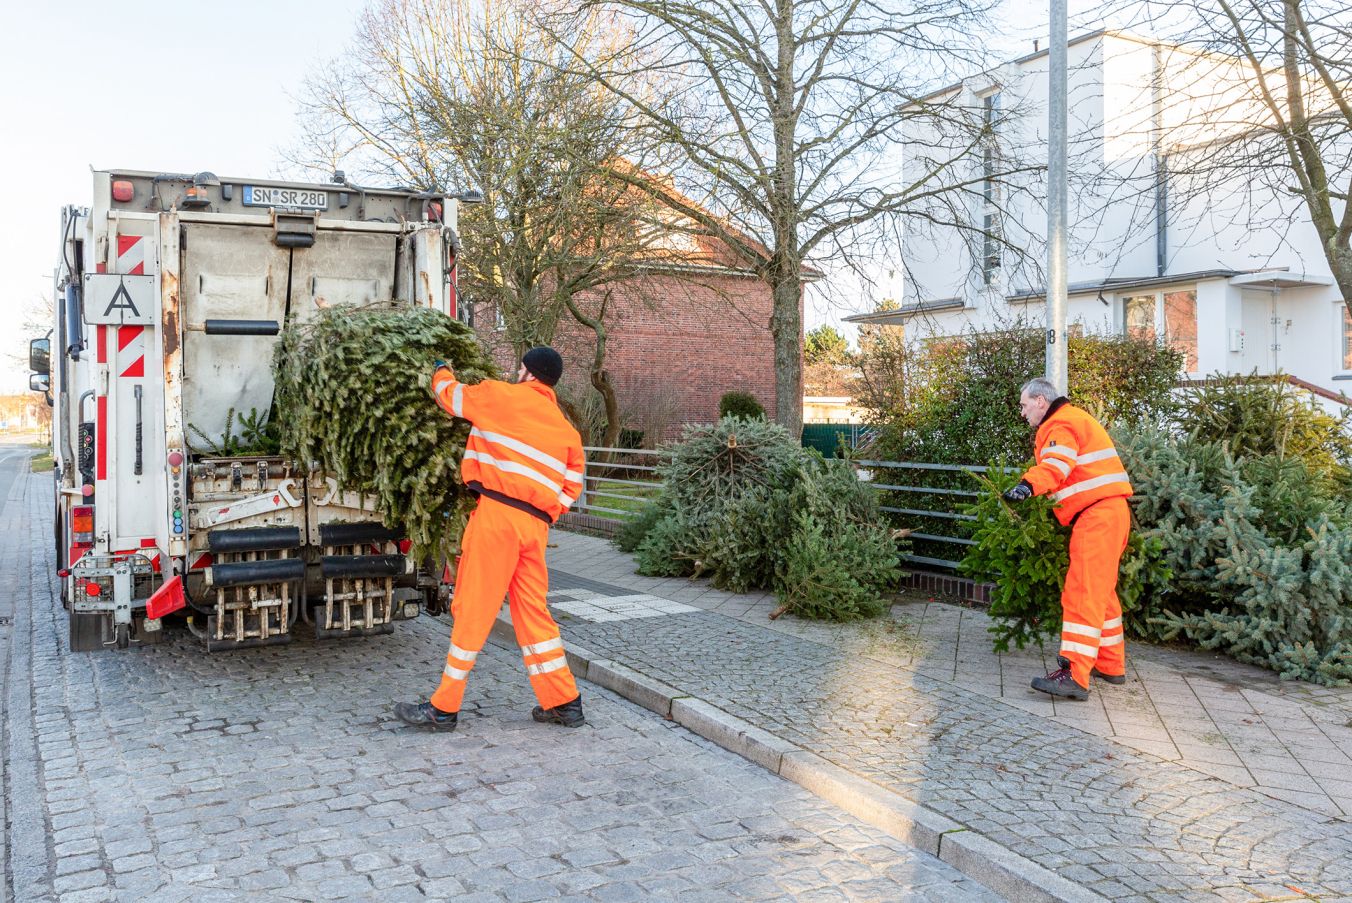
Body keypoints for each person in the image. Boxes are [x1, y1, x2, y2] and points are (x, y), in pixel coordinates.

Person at [395, 346, 587, 731]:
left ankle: (443, 707)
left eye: (520, 368)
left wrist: (439, 369)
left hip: (497, 517)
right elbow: (572, 488)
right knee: (533, 613)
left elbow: (451, 397)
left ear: (529, 373)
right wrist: (545, 512)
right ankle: (564, 701)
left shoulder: (500, 396)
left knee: (473, 608)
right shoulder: (567, 432)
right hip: (535, 528)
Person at [1001, 377, 1133, 701]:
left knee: (1083, 592)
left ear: (1041, 402)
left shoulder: (1060, 425)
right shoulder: (1076, 419)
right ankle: (1110, 663)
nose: (1022, 412)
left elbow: (1055, 466)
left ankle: (1074, 674)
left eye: (1024, 405)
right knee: (1102, 592)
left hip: (1097, 516)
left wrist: (1026, 486)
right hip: (1112, 512)